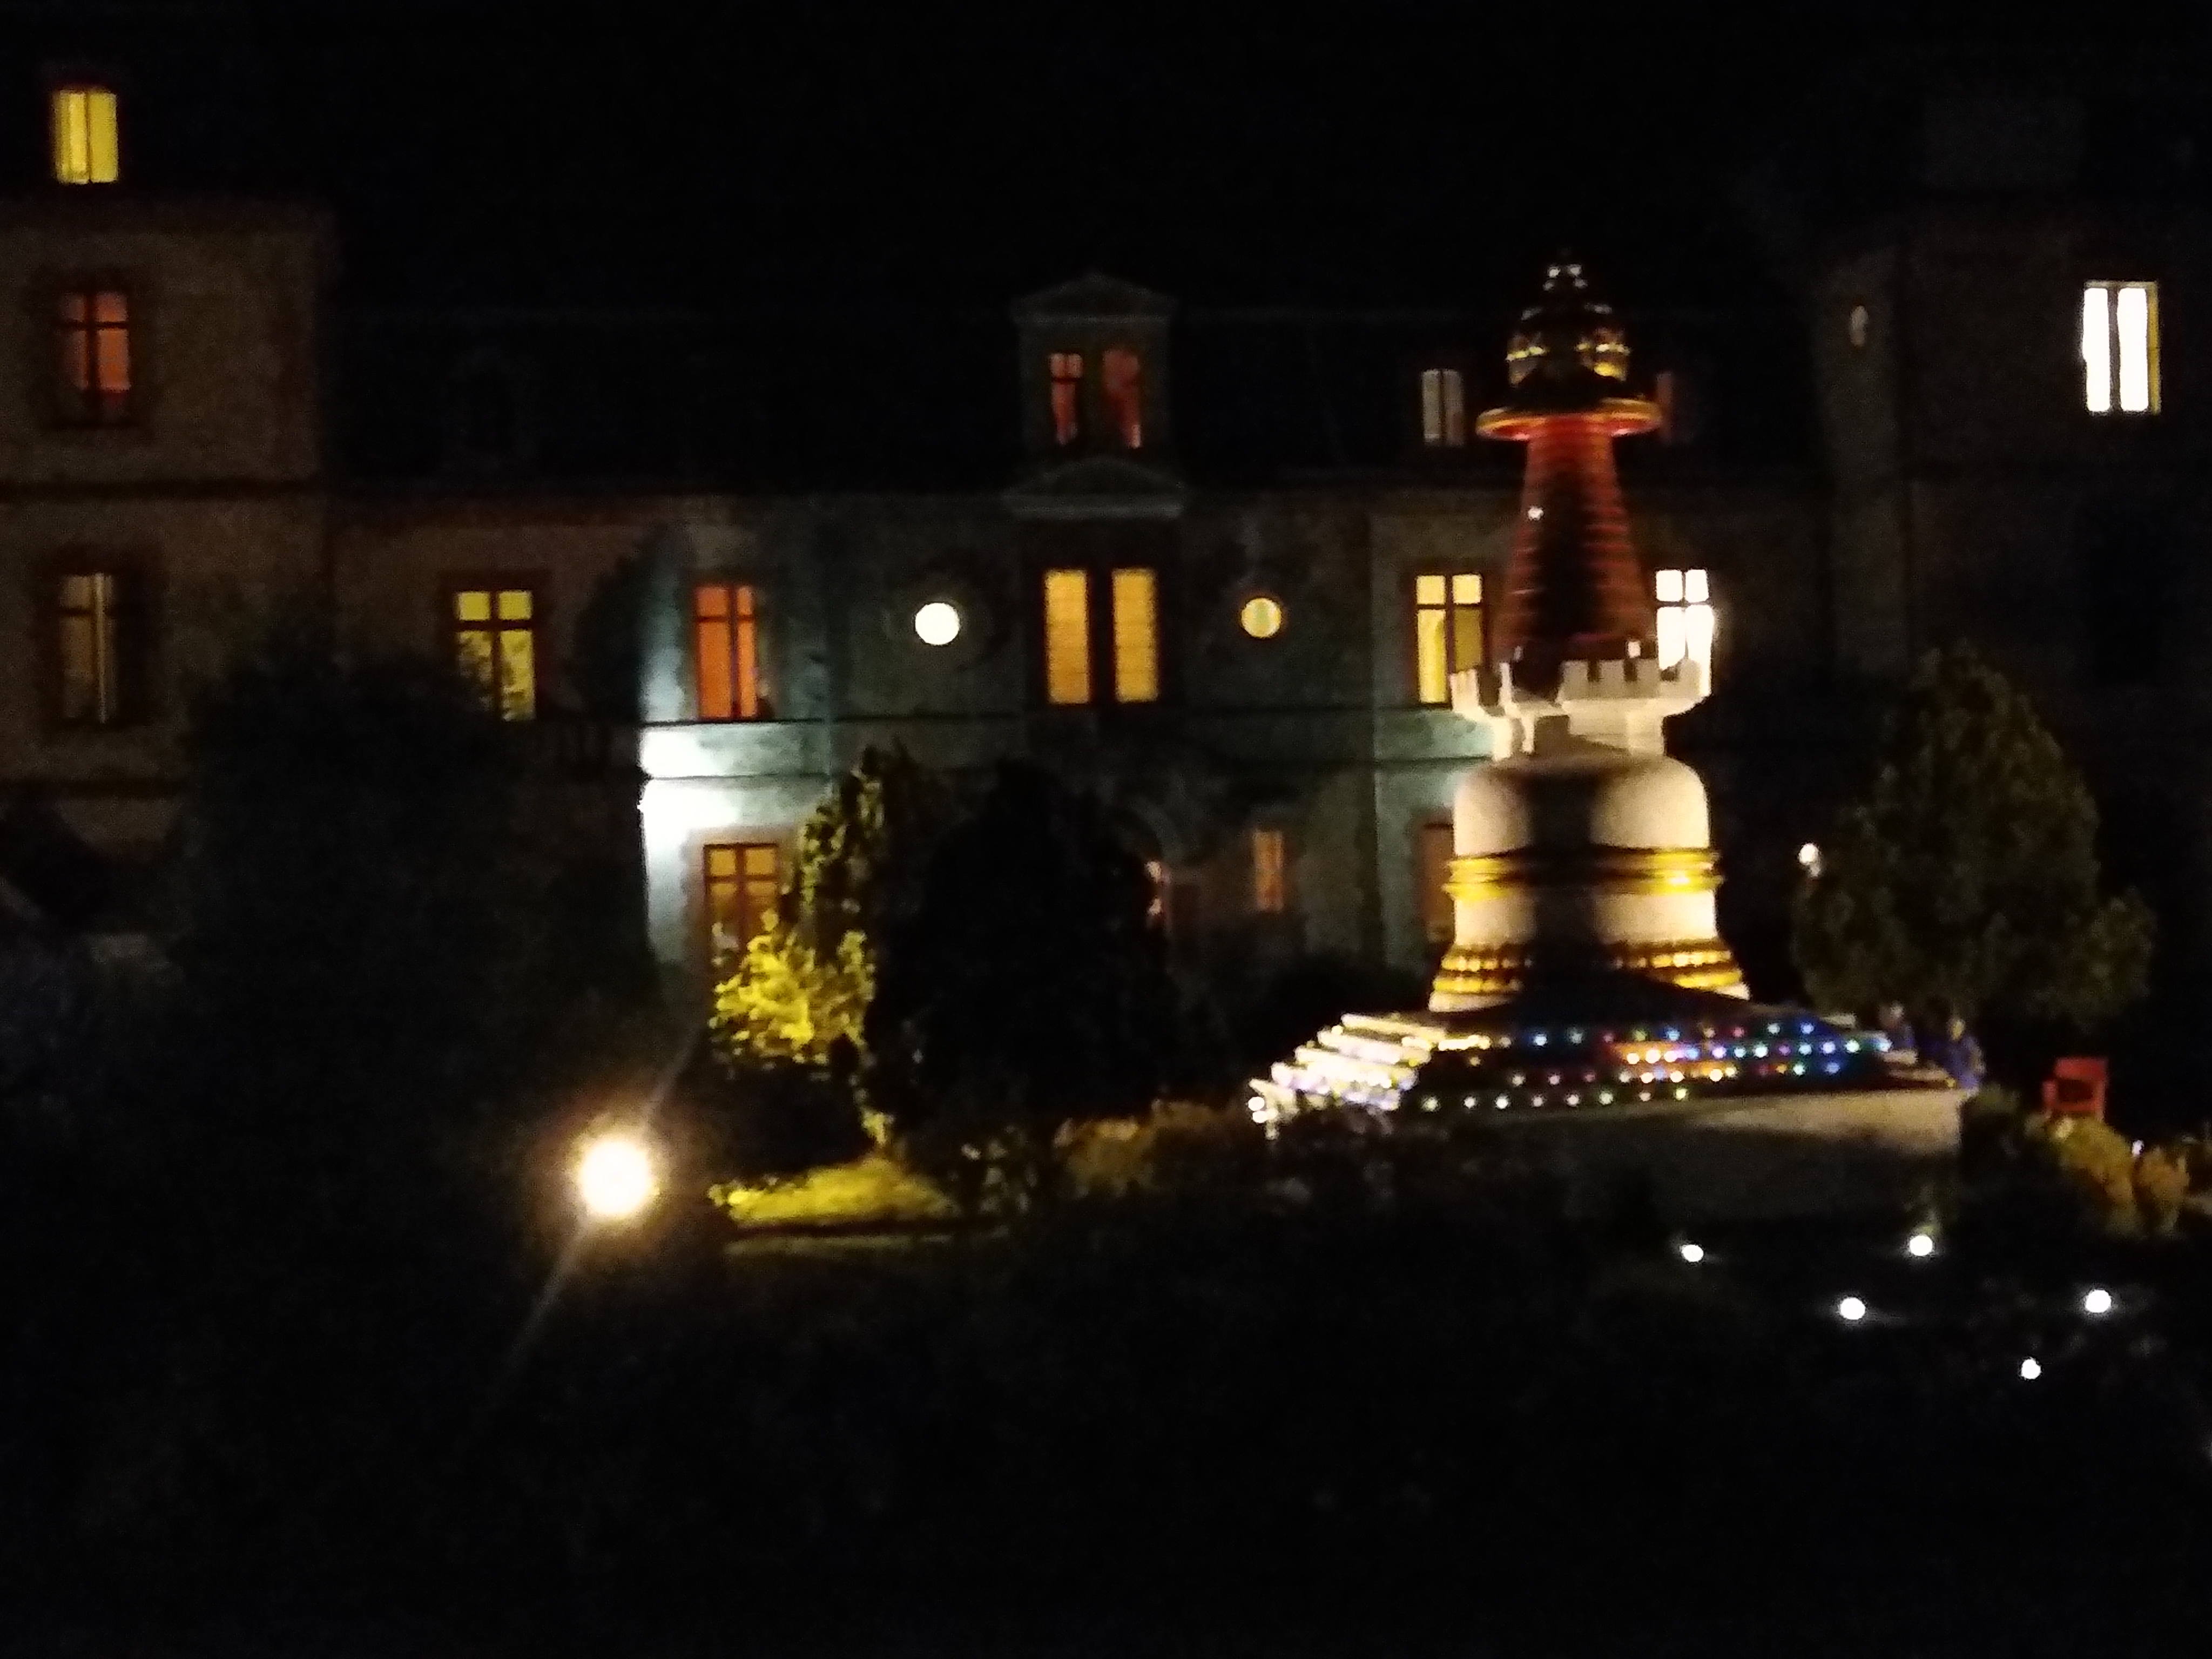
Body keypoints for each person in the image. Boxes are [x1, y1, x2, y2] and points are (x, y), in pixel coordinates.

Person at [1925, 1012, 1986, 1092]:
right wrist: (1935, 1068)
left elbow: (1977, 1064)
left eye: (1956, 1028)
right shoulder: (1942, 1045)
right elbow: (1933, 1062)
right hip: (1946, 1081)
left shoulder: (1969, 1043)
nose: (1953, 1030)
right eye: (1951, 1027)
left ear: (1962, 1029)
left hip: (1966, 1082)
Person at [1876, 1001, 1917, 1066]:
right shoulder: (1877, 1031)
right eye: (1883, 1014)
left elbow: (1911, 1057)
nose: (1883, 1017)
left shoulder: (1905, 1031)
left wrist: (1888, 1056)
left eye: (1889, 1014)